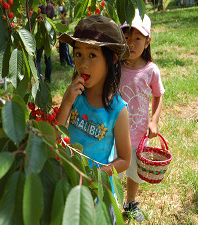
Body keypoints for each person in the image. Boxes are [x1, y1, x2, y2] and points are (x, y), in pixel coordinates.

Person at [57, 14, 132, 198]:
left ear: (113, 59)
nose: (83, 63)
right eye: (78, 54)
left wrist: (96, 175)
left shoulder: (118, 110)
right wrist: (67, 101)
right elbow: (55, 136)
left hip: (96, 191)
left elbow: (125, 159)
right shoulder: (75, 97)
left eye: (92, 55)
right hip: (68, 181)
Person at [119, 9, 165, 222]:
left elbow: (158, 96)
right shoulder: (114, 66)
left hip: (138, 136)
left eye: (137, 38)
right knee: (113, 170)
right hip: (114, 134)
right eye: (126, 36)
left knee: (134, 173)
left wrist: (154, 121)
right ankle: (110, 201)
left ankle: (130, 202)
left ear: (147, 41)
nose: (131, 42)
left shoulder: (151, 70)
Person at [36, 1, 55, 83]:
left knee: (38, 60)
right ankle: (48, 78)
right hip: (48, 36)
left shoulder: (40, 6)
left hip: (40, 36)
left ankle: (39, 80)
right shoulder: (52, 8)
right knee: (48, 58)